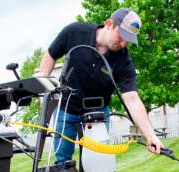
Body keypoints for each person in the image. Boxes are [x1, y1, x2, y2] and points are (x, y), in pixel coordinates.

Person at [38, 8, 164, 163]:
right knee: (62, 163)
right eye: (122, 36)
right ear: (109, 24)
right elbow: (51, 55)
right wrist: (44, 88)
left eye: (129, 40)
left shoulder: (123, 60)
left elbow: (132, 99)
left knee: (97, 166)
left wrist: (151, 136)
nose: (124, 44)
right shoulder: (75, 31)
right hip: (67, 109)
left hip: (97, 115)